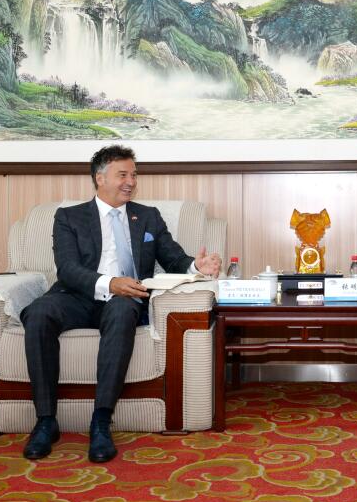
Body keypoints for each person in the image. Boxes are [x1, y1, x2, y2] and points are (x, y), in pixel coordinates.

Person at [20, 145, 222, 463]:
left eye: (134, 175)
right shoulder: (69, 217)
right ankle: (45, 421)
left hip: (124, 300)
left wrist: (197, 266)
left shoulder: (148, 217)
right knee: (39, 312)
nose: (131, 182)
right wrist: (109, 282)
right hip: (76, 297)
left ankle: (101, 421)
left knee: (123, 308)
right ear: (100, 178)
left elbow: (173, 258)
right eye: (123, 175)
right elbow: (68, 269)